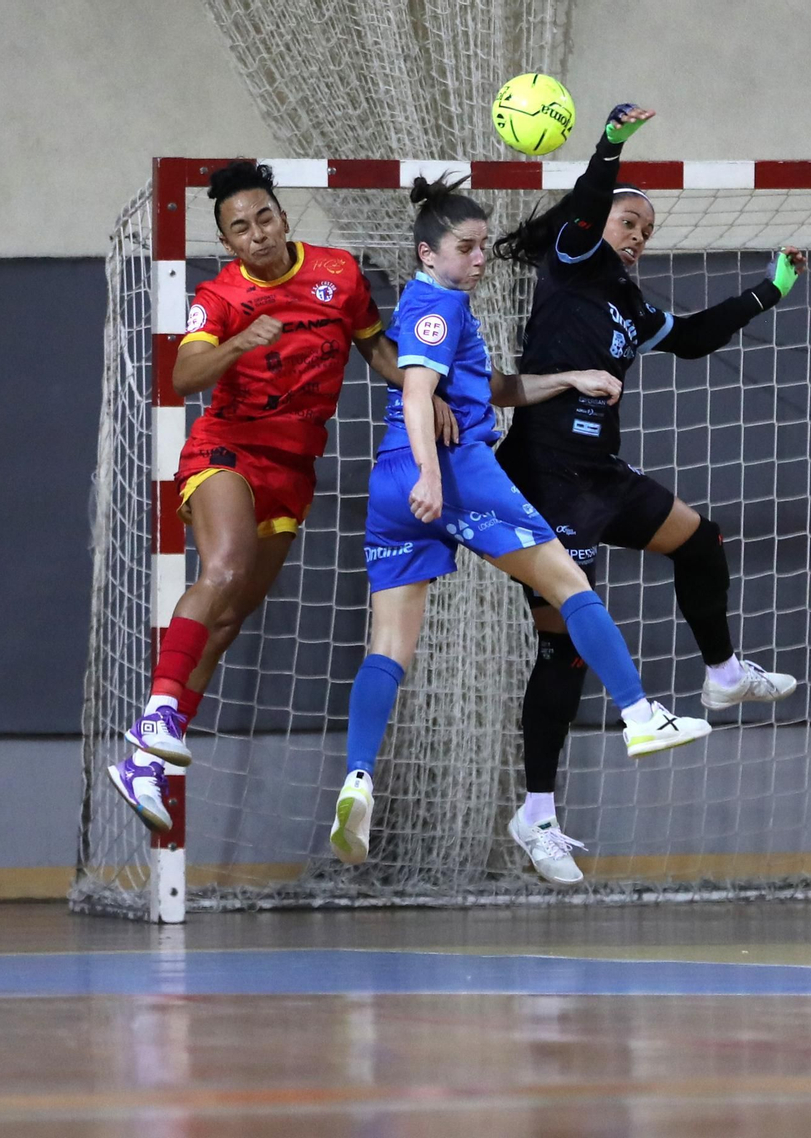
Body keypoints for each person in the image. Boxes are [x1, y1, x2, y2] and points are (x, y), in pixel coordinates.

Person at [330, 176, 711, 878]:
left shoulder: (443, 304)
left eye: (482, 247)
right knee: (570, 585)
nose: (479, 260)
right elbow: (417, 395)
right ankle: (638, 715)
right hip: (449, 474)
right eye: (465, 248)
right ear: (427, 252)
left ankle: (358, 779)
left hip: (390, 485)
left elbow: (496, 389)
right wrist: (434, 475)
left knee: (389, 646)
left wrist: (571, 378)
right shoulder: (436, 307)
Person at [491, 104, 806, 857]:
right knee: (563, 648)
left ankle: (723, 673)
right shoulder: (569, 260)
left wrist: (769, 291)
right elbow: (590, 204)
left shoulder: (630, 302)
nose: (637, 236)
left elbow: (693, 337)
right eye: (630, 221)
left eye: (647, 230)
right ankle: (537, 811)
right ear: (596, 222)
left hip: (601, 473)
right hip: (546, 477)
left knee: (699, 540)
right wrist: (611, 145)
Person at [107, 160, 426, 833]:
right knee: (220, 571)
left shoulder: (338, 275)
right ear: (227, 243)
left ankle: (144, 765)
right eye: (240, 229)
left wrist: (430, 393)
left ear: (283, 216)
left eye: (264, 218)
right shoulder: (221, 298)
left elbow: (378, 352)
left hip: (293, 468)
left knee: (228, 617)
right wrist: (239, 343)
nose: (256, 234)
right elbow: (185, 372)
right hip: (227, 449)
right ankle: (156, 717)